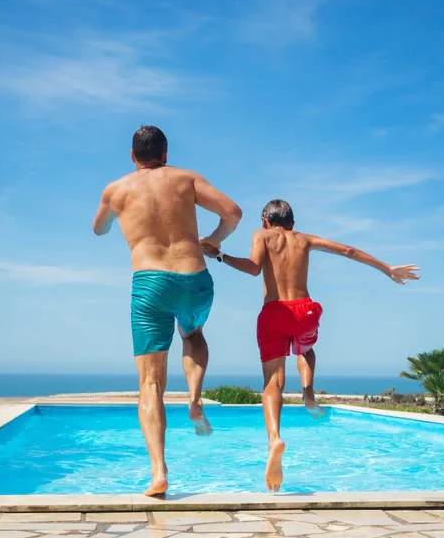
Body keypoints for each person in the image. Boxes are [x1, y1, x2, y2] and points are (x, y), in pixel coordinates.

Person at [202, 199, 418, 491]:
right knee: (305, 348)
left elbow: (253, 268)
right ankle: (308, 395)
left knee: (273, 382)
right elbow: (348, 250)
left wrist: (220, 256)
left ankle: (274, 438)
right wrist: (387, 268)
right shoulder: (304, 240)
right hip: (304, 311)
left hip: (275, 311)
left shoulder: (261, 235)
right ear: (292, 223)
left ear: (265, 220)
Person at [93, 125, 242, 498]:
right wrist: (213, 240)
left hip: (150, 283)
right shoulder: (185, 178)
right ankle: (194, 399)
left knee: (150, 384)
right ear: (165, 153)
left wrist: (115, 213)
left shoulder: (115, 190)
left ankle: (159, 471)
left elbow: (99, 230)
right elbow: (233, 212)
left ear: (132, 155)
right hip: (195, 278)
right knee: (193, 335)